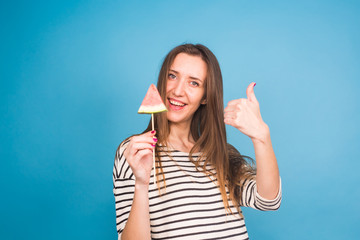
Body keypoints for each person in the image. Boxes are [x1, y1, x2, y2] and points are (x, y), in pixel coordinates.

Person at [113, 44, 281, 240]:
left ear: (205, 97)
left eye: (194, 83)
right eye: (172, 76)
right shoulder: (136, 151)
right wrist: (141, 184)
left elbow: (268, 201)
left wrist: (262, 136)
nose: (177, 91)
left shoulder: (221, 154)